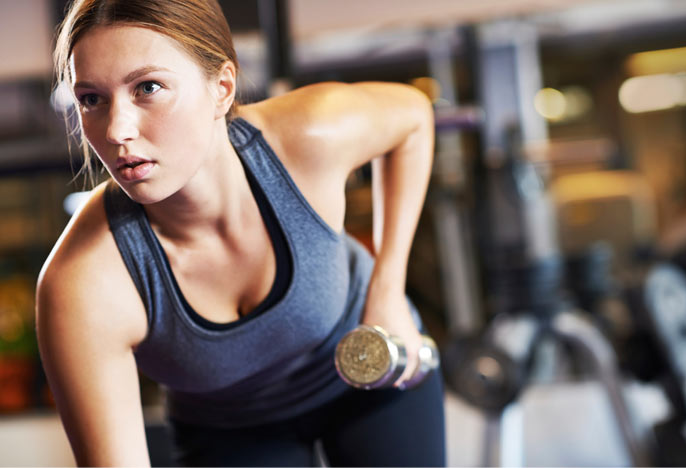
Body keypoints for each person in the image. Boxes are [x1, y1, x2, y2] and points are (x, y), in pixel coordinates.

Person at [36, 0, 445, 466]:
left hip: (369, 373)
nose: (117, 130)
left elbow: (413, 116)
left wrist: (388, 292)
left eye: (148, 87)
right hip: (231, 433)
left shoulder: (306, 136)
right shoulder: (83, 282)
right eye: (91, 98)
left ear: (222, 88)